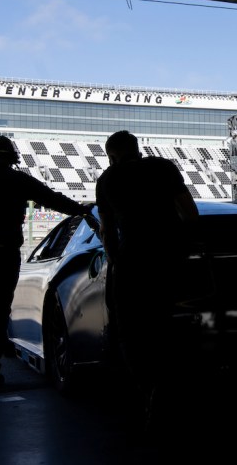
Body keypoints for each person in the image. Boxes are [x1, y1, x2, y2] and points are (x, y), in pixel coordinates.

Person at [0, 135, 91, 396]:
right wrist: (84, 211)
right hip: (5, 256)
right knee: (0, 313)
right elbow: (54, 200)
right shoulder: (19, 181)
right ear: (12, 158)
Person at [94, 130, 199, 422]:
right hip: (170, 259)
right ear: (137, 149)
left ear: (112, 156)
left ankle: (149, 390)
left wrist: (115, 263)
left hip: (133, 262)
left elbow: (107, 231)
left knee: (130, 330)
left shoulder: (107, 180)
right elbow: (190, 215)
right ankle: (172, 386)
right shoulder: (164, 167)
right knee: (167, 325)